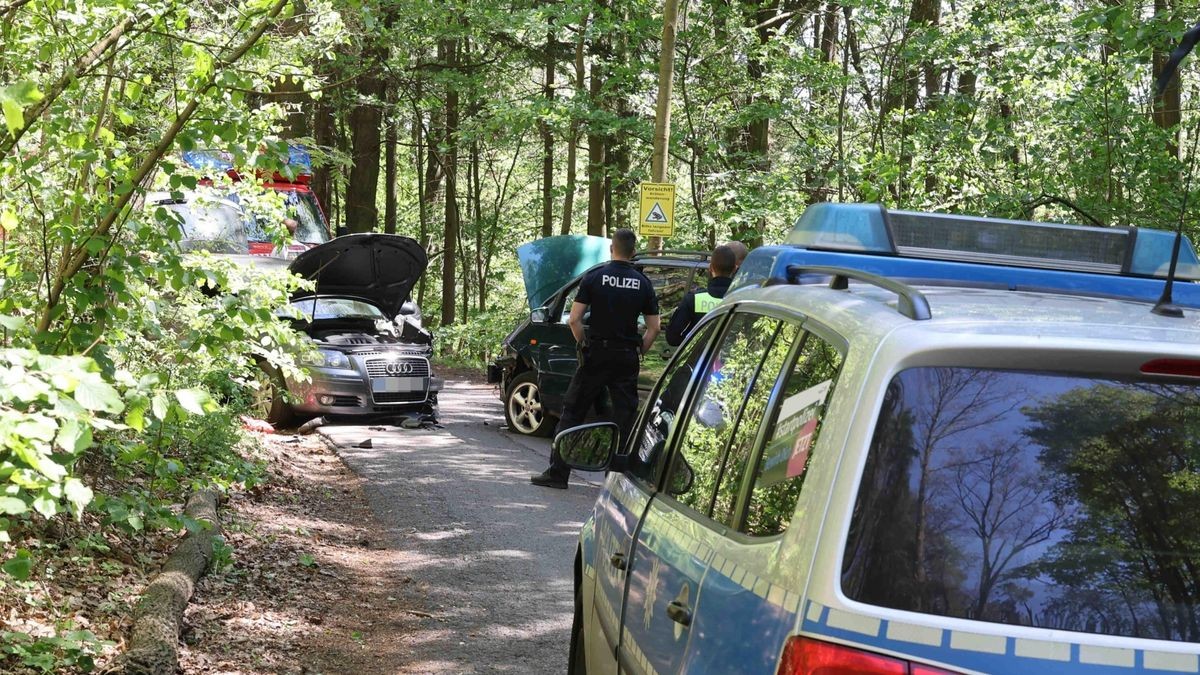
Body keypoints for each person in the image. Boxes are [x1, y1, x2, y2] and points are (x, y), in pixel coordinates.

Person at [531, 228, 661, 490]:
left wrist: (584, 344)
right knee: (624, 417)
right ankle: (616, 481)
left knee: (573, 411)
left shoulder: (595, 277)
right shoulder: (643, 283)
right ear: (633, 251)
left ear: (612, 249)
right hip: (626, 357)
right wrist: (639, 351)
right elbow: (654, 327)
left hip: (597, 354)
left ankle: (558, 472)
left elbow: (574, 319)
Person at [665, 244, 736, 347]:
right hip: (732, 360)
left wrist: (693, 345)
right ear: (734, 269)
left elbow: (672, 337)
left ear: (710, 268)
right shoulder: (743, 300)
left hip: (697, 361)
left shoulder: (693, 299)